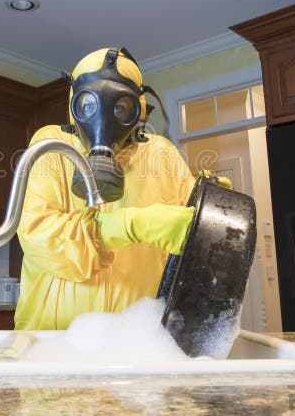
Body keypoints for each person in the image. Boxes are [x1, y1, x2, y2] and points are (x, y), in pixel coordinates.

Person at [14, 47, 198, 330]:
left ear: (138, 108)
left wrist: (211, 206)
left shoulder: (162, 154)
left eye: (120, 107)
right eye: (89, 104)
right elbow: (39, 235)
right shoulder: (52, 146)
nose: (104, 117)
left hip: (139, 337)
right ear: (74, 103)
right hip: (53, 339)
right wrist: (132, 225)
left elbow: (196, 247)